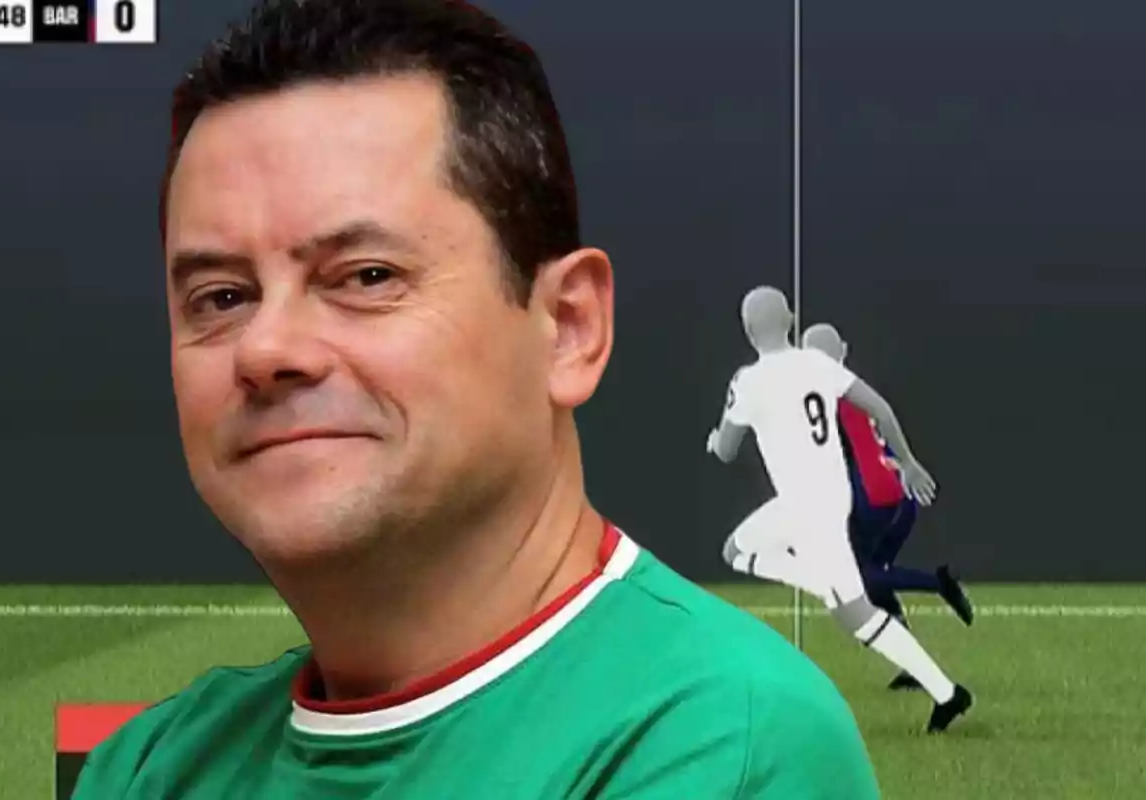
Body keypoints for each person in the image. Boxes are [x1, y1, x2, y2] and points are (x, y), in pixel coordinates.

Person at [71, 2, 881, 797]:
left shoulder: (721, 744)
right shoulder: (145, 763)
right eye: (219, 297)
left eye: (366, 277)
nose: (267, 350)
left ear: (568, 328)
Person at [707, 286, 973, 733]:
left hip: (805, 510)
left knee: (853, 614)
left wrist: (715, 441)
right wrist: (907, 461)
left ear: (748, 329)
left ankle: (948, 693)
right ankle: (945, 692)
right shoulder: (818, 363)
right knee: (737, 550)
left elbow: (728, 450)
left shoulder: (748, 380)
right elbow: (881, 408)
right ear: (790, 320)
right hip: (823, 501)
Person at [801, 323, 974, 692]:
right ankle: (912, 663)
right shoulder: (854, 388)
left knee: (864, 577)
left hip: (876, 497)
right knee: (876, 575)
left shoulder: (827, 393)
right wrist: (906, 465)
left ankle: (939, 583)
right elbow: (878, 427)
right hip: (899, 495)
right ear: (843, 350)